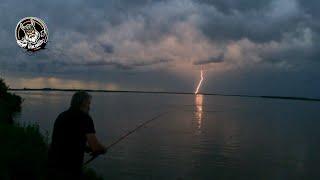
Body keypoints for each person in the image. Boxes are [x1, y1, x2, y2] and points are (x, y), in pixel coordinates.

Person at [48, 91, 106, 179]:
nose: (89, 107)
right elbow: (95, 146)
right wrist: (103, 149)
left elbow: (67, 140)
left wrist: (86, 148)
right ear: (83, 103)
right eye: (88, 103)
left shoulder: (62, 115)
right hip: (70, 168)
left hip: (53, 163)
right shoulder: (85, 118)